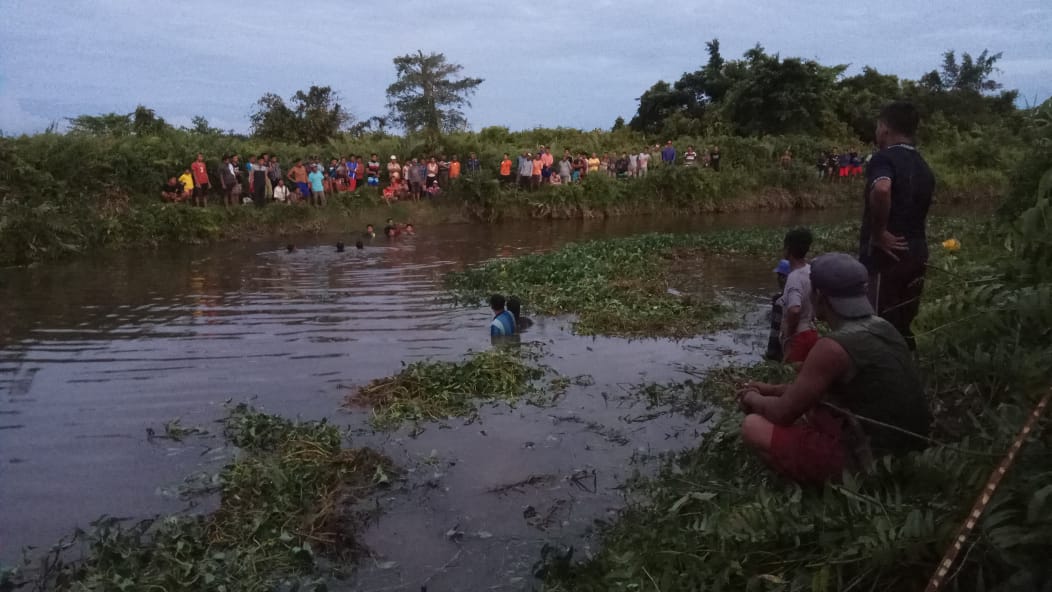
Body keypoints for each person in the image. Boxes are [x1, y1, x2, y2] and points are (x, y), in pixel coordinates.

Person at [738, 253, 931, 485]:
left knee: (753, 427)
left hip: (874, 463)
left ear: (820, 297)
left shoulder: (832, 348)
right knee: (814, 412)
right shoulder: (883, 326)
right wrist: (769, 389)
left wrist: (751, 397)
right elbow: (809, 391)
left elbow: (782, 412)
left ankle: (806, 486)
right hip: (911, 450)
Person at [860, 102, 935, 350]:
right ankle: (906, 373)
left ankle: (879, 379)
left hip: (887, 257)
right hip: (916, 252)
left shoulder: (884, 158)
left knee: (878, 321)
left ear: (885, 129)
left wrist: (879, 232)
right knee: (904, 322)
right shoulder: (923, 165)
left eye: (878, 127)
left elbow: (882, 189)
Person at [781, 228, 817, 365]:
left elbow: (794, 310)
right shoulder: (811, 270)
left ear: (788, 249)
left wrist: (789, 337)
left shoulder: (794, 277)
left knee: (791, 377)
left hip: (799, 336)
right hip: (812, 332)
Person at [765, 260, 791, 361]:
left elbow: (775, 329)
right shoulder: (800, 296)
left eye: (780, 275)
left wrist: (771, 351)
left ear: (784, 278)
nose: (778, 279)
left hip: (781, 348)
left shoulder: (778, 301)